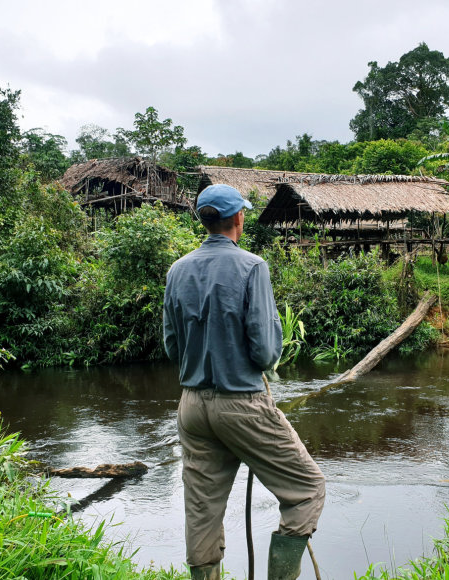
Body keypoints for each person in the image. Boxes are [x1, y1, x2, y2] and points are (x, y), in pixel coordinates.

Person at [163, 184, 325, 580]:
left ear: (203, 220)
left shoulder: (177, 270)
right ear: (238, 218)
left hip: (191, 407)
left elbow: (171, 346)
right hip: (241, 403)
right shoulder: (253, 266)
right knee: (307, 488)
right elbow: (267, 352)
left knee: (202, 508)